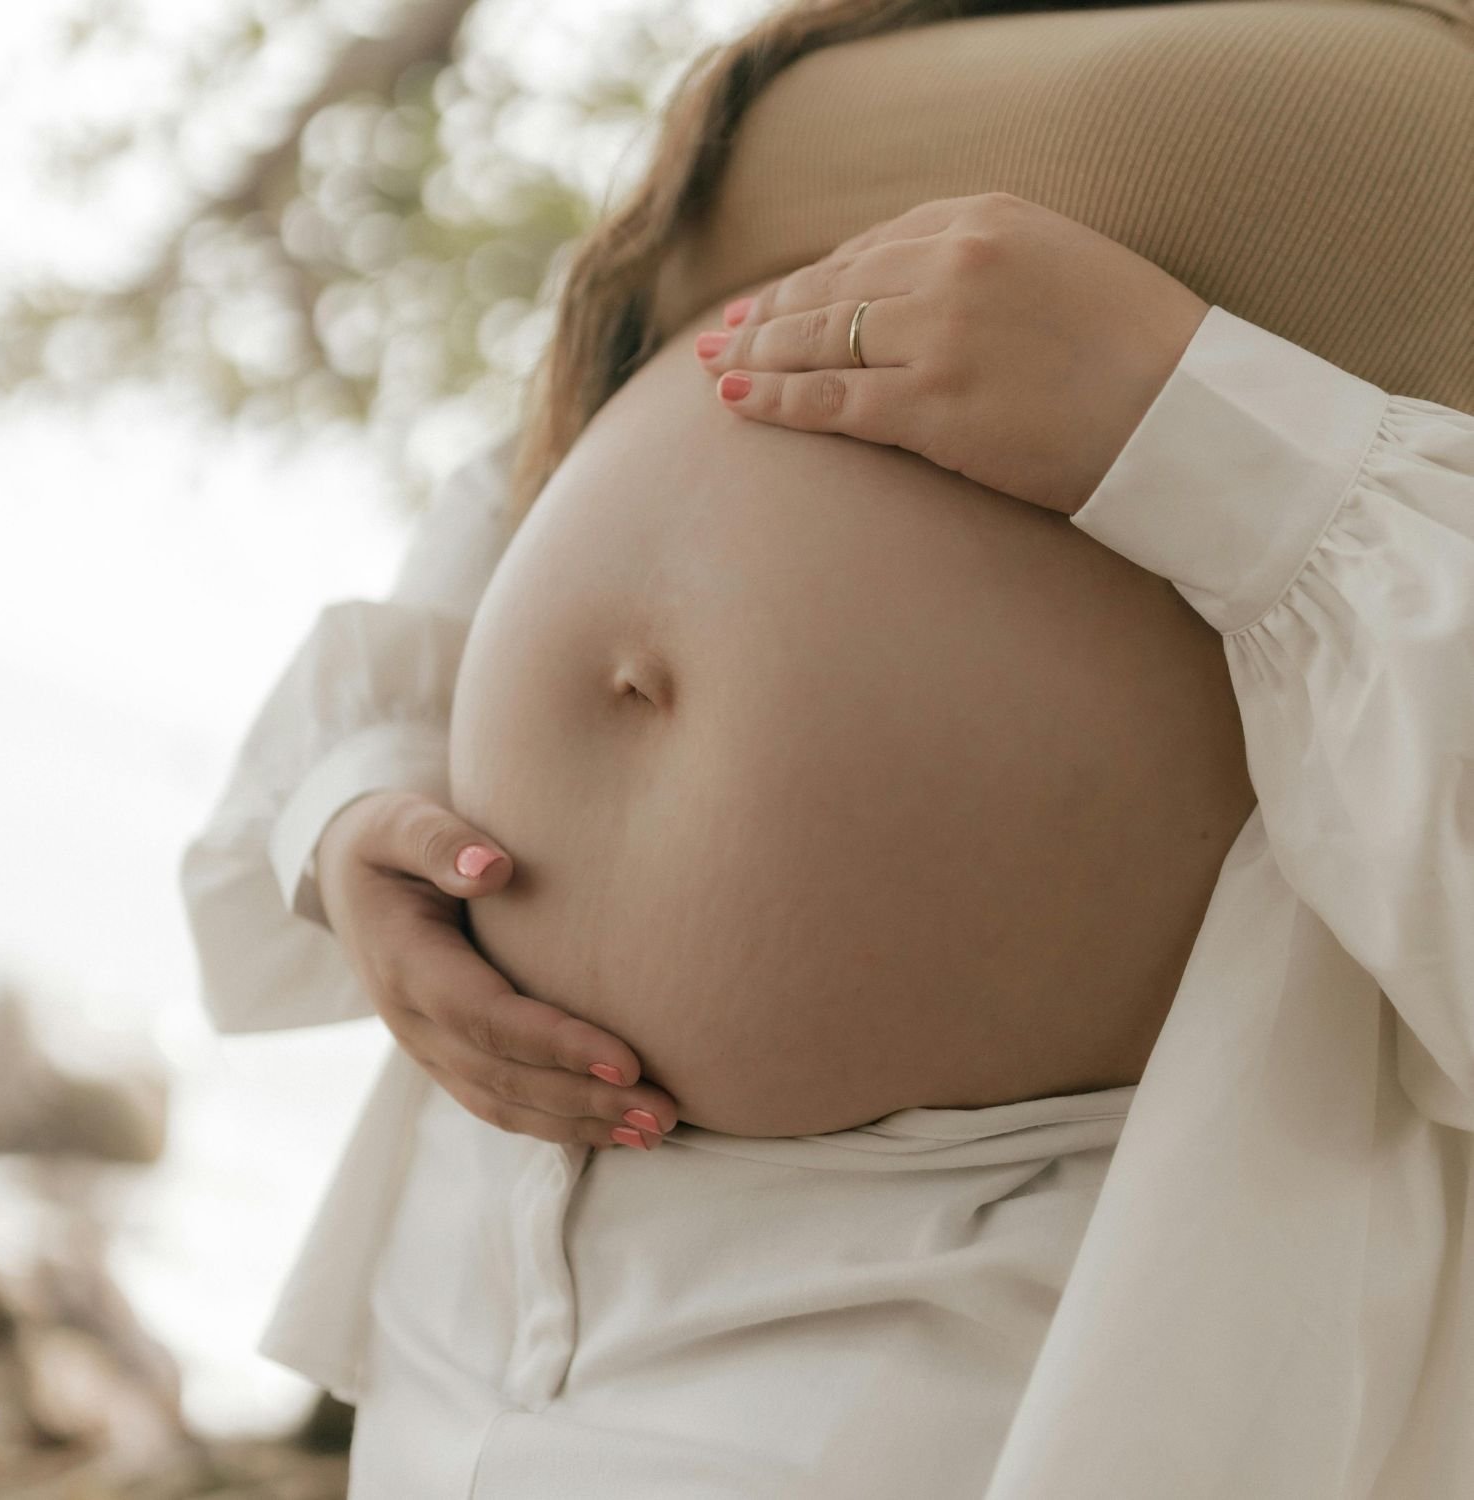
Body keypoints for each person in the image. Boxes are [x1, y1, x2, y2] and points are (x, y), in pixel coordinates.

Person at [180, 0, 1474, 1494]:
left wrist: (1185, 421)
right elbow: (527, 480)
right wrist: (356, 821)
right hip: (491, 1222)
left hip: (975, 1280)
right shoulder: (835, 30)